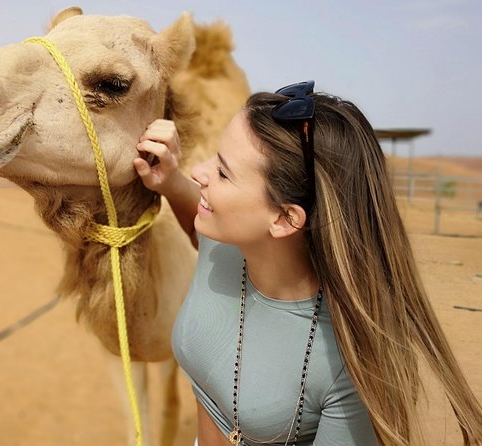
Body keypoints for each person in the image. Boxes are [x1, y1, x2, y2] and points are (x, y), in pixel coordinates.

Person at [132, 81, 482, 445]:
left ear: (285, 219)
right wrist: (170, 181)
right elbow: (198, 227)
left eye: (222, 172)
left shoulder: (348, 367)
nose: (198, 172)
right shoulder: (227, 246)